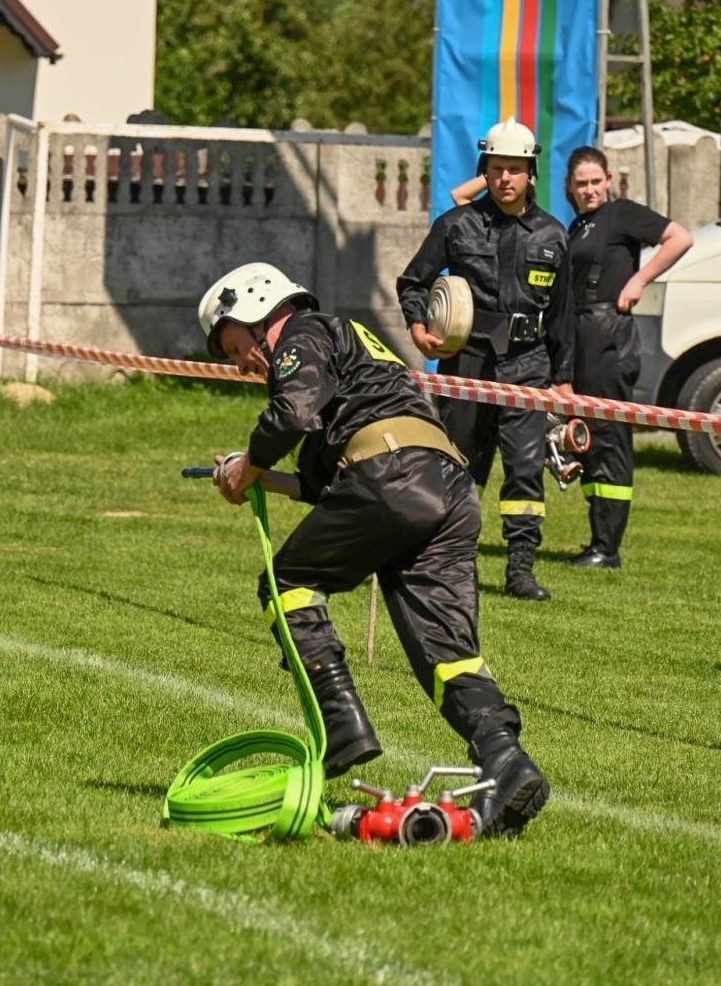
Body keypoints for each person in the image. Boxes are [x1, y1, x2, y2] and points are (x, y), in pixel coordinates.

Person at [200, 262, 549, 837]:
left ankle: (342, 726)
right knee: (447, 653)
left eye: (236, 346)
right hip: (445, 487)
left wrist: (249, 464)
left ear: (259, 310)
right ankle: (507, 762)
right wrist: (260, 477)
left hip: (391, 477)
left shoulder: (304, 332)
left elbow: (293, 413)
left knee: (285, 583)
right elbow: (324, 484)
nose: (240, 364)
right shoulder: (350, 349)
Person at [398, 119, 574, 601]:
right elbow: (412, 281)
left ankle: (521, 571)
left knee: (525, 470)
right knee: (459, 467)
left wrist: (564, 378)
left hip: (528, 368)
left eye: (515, 169)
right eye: (496, 169)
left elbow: (563, 316)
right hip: (467, 364)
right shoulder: (456, 225)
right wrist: (418, 328)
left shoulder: (553, 235)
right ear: (485, 170)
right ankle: (456, 563)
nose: (505, 178)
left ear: (530, 172)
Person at [557, 146, 692, 568]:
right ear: (569, 187)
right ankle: (598, 539)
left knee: (610, 436)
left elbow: (680, 237)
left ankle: (608, 548)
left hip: (609, 334)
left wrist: (638, 281)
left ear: (609, 181)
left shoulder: (621, 214)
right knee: (587, 436)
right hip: (580, 333)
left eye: (596, 181)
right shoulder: (578, 225)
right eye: (582, 183)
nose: (590, 190)